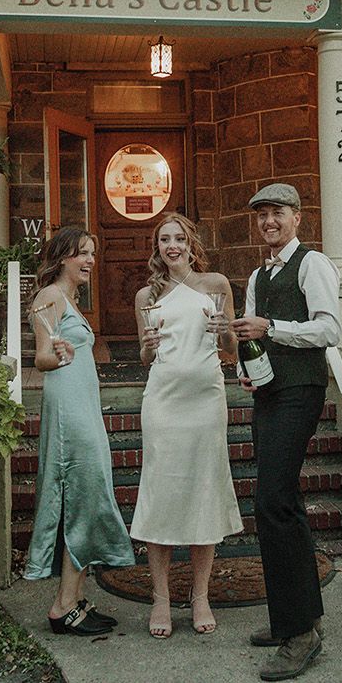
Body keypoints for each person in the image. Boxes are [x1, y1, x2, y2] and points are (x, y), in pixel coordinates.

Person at [231, 183, 340, 682]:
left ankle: (301, 635)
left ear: (297, 217)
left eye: (277, 213)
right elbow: (249, 337)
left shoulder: (313, 265)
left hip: (301, 390)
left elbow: (328, 330)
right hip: (270, 392)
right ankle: (295, 619)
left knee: (273, 500)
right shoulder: (258, 275)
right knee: (280, 502)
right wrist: (245, 369)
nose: (268, 222)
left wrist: (271, 327)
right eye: (262, 215)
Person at [129, 213, 244, 639]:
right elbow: (146, 358)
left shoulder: (216, 285)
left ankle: (200, 595)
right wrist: (146, 346)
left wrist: (226, 331)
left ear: (191, 244)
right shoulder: (146, 295)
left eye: (179, 238)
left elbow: (231, 348)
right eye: (165, 240)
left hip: (205, 401)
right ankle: (160, 597)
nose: (172, 246)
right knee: (161, 493)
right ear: (157, 247)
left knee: (203, 491)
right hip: (163, 402)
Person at [24, 226, 134, 635]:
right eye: (82, 253)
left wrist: (68, 351)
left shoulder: (69, 299)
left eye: (92, 253)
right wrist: (61, 355)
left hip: (84, 406)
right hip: (69, 412)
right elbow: (41, 358)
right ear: (61, 258)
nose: (90, 260)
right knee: (81, 498)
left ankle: (75, 599)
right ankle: (63, 607)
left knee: (89, 495)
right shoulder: (50, 296)